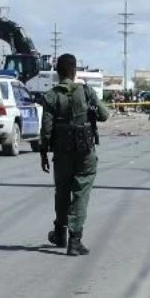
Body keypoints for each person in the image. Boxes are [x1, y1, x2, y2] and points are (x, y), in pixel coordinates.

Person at [40, 53, 109, 256]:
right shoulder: (86, 92)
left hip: (62, 153)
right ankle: (75, 240)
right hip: (85, 152)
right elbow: (104, 115)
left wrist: (43, 153)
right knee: (80, 193)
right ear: (75, 70)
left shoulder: (51, 96)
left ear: (57, 72)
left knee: (62, 191)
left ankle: (60, 233)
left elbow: (46, 129)